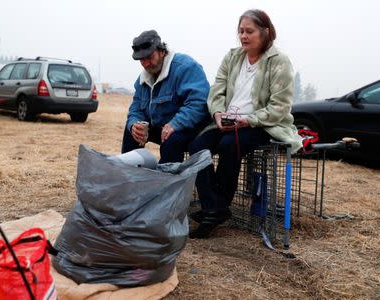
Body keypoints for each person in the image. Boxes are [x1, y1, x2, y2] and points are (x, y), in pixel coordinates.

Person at [188, 9, 303, 239]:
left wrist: (247, 120)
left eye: (249, 31)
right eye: (240, 31)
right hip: (228, 120)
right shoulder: (232, 57)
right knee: (197, 146)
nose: (243, 36)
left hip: (260, 124)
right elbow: (216, 90)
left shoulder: (279, 61)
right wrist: (218, 113)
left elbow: (279, 107)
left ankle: (214, 209)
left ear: (265, 32)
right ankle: (215, 207)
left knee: (229, 145)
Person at [121, 30, 210, 163]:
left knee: (171, 141)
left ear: (162, 51)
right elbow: (136, 108)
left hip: (190, 128)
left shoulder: (186, 67)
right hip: (163, 128)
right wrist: (135, 125)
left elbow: (198, 103)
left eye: (149, 57)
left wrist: (176, 124)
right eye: (141, 60)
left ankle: (168, 181)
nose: (145, 64)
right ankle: (130, 176)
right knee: (131, 133)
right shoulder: (143, 79)